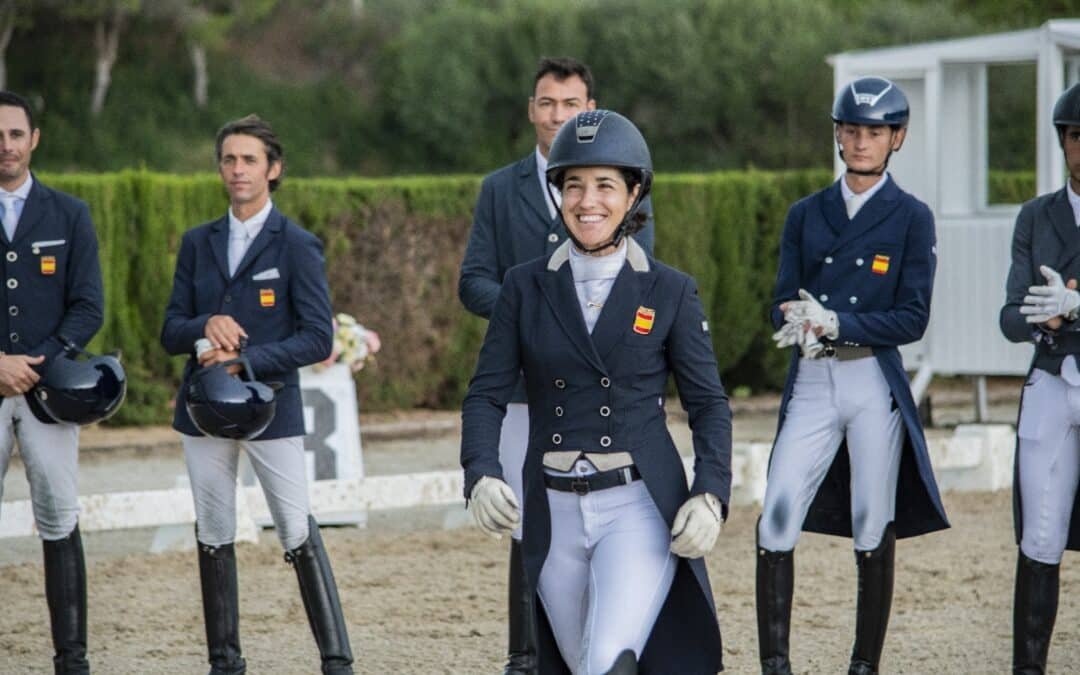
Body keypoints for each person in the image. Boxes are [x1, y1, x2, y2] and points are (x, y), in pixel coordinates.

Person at [461, 109, 729, 675]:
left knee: (606, 660)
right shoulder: (523, 285)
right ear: (558, 192)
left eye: (605, 185)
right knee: (573, 660)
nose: (588, 201)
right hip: (551, 510)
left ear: (633, 194)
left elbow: (707, 403)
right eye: (574, 184)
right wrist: (481, 472)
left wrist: (710, 493)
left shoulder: (670, 289)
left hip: (635, 506)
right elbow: (486, 394)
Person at [458, 56, 655, 674]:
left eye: (570, 104)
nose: (557, 114)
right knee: (526, 516)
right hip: (523, 381)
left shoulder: (619, 183)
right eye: (547, 103)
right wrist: (533, 314)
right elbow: (473, 281)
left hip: (597, 383)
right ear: (531, 109)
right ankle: (525, 650)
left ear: (589, 109)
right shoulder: (500, 188)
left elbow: (641, 271)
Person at [759, 76, 949, 675]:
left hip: (870, 381)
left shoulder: (911, 217)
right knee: (777, 513)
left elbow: (913, 317)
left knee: (873, 520)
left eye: (874, 132)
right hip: (814, 378)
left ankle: (864, 663)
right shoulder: (805, 213)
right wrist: (791, 317)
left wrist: (838, 320)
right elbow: (779, 298)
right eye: (851, 130)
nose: (861, 142)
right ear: (838, 134)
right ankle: (775, 665)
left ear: (897, 138)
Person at [160, 115, 353, 675]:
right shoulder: (198, 242)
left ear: (273, 169)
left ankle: (337, 661)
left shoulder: (297, 244)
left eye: (248, 160)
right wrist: (205, 327)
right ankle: (225, 662)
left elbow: (319, 336)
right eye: (228, 159)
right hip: (202, 407)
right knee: (214, 530)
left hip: (273, 407)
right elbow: (171, 328)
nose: (237, 169)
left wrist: (247, 358)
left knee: (294, 527)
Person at [0, 90, 104, 675]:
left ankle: (72, 658)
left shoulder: (70, 215)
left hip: (46, 393)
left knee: (60, 517)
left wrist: (34, 363)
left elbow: (88, 307)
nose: (6, 146)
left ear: (34, 139)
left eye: (16, 134)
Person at [1000, 81, 1080, 675]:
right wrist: (1040, 316)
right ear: (1063, 143)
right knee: (1041, 535)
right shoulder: (1035, 216)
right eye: (1077, 137)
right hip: (1051, 380)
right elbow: (1007, 316)